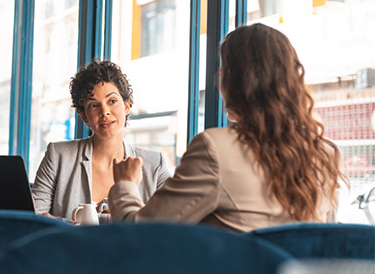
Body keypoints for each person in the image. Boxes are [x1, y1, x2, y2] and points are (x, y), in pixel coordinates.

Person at [108, 23, 345, 232]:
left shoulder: (215, 148)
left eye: (223, 70)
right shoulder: (326, 154)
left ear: (234, 80)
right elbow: (325, 244)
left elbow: (142, 233)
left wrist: (126, 184)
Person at [32, 60, 171, 219]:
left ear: (126, 106)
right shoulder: (58, 155)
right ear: (84, 116)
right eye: (93, 105)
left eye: (112, 101)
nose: (104, 111)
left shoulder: (154, 164)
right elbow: (35, 218)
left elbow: (169, 223)